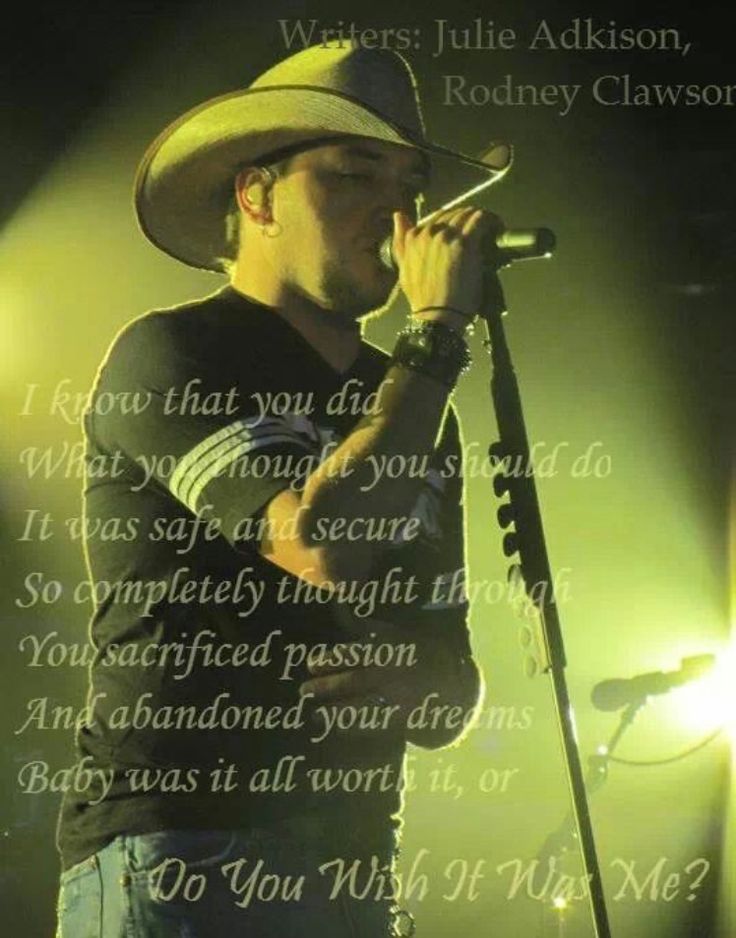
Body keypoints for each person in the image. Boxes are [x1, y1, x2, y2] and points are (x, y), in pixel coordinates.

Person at [54, 43, 512, 937]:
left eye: (410, 183)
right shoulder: (175, 354)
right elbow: (321, 546)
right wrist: (438, 332)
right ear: (256, 196)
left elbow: (452, 687)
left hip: (352, 859)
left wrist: (417, 677)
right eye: (352, 175)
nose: (396, 209)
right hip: (180, 852)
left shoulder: (421, 404)